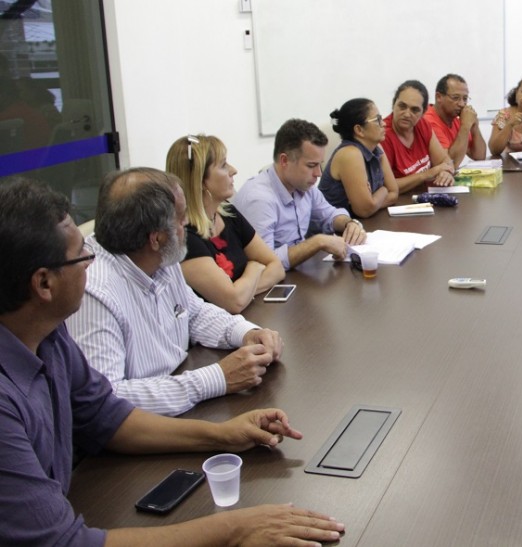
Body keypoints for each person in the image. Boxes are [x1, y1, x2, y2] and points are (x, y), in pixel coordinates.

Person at [0, 178, 345, 545]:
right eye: (82, 256)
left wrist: (222, 435)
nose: (91, 261)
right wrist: (236, 529)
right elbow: (64, 543)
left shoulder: (49, 335)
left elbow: (107, 416)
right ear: (43, 284)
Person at [66, 168, 284, 416]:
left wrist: (246, 333)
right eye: (181, 220)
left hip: (179, 394)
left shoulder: (159, 257)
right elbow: (109, 398)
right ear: (156, 239)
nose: (187, 226)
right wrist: (217, 378)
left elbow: (194, 313)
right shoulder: (93, 291)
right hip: (140, 434)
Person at [166, 134, 285, 314]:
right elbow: (234, 302)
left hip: (248, 319)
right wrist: (254, 268)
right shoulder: (185, 238)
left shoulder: (228, 214)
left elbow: (276, 267)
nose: (234, 170)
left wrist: (243, 291)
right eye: (223, 165)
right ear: (200, 180)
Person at [232, 118, 367, 269]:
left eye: (320, 164)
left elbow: (330, 215)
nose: (318, 173)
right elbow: (266, 263)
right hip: (272, 287)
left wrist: (349, 224)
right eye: (311, 165)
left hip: (299, 274)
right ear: (285, 160)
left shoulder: (303, 186)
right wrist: (317, 242)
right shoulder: (259, 199)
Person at [318, 98, 399, 218]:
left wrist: (374, 200)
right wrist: (383, 190)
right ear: (359, 130)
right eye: (377, 120)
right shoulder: (350, 155)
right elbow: (364, 210)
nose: (384, 123)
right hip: (335, 229)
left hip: (362, 224)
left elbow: (394, 192)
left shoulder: (377, 148)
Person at [380, 80, 455, 192]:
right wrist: (427, 174)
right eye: (402, 106)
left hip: (424, 197)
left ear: (423, 112)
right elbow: (388, 187)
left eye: (415, 110)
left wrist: (446, 172)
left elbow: (444, 160)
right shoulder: (382, 135)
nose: (406, 114)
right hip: (400, 204)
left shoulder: (422, 124)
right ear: (393, 104)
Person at [423, 73, 487, 167]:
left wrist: (474, 126)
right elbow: (449, 164)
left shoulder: (455, 119)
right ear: (439, 97)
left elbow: (479, 156)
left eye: (465, 99)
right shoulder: (428, 121)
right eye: (455, 98)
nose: (462, 104)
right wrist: (465, 126)